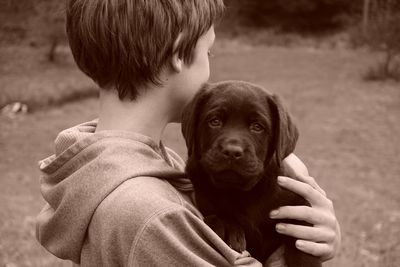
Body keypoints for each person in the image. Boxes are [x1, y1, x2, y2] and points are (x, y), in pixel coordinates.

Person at [35, 0, 341, 266]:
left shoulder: (118, 168)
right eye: (209, 53)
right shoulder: (154, 216)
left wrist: (311, 240)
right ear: (179, 53)